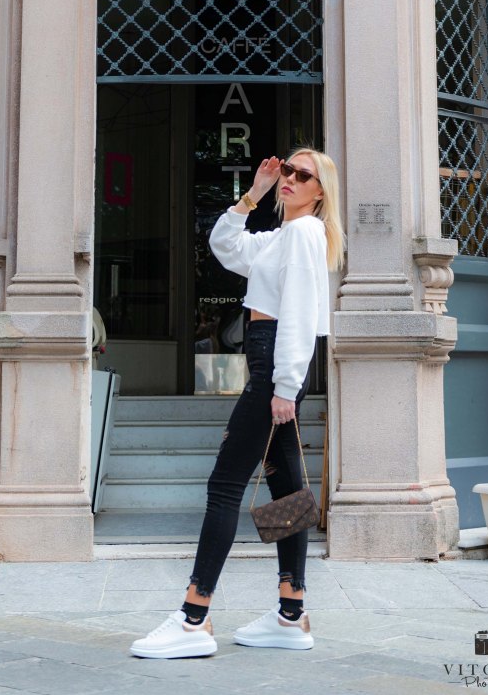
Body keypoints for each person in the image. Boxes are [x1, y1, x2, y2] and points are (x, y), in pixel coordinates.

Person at [130, 148, 345, 659]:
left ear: (320, 191)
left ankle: (193, 617)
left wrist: (285, 388)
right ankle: (291, 614)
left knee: (224, 485)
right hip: (271, 366)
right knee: (287, 490)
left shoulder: (304, 233)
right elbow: (225, 246)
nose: (290, 178)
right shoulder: (280, 236)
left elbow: (298, 314)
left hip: (273, 370)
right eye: (287, 170)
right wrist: (253, 195)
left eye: (302, 175)